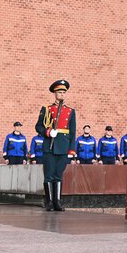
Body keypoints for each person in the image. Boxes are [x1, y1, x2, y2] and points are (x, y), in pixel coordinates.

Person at [35, 80, 77, 211]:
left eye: (64, 92)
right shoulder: (46, 109)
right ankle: (49, 202)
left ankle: (57, 202)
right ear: (54, 93)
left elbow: (73, 131)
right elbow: (38, 126)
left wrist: (71, 150)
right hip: (50, 146)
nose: (62, 94)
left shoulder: (70, 111)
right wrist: (47, 132)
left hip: (63, 146)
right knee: (49, 175)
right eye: (59, 92)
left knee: (59, 174)